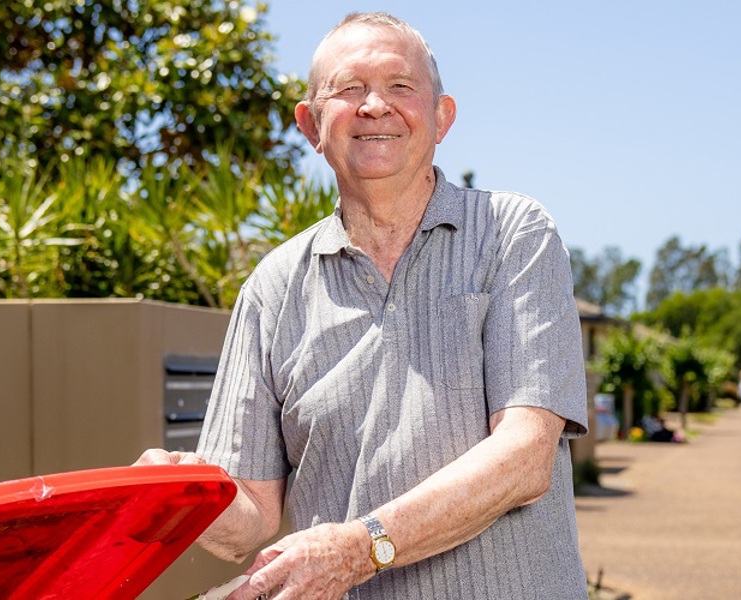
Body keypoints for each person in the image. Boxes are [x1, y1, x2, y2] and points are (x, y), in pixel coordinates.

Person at [135, 12, 587, 599]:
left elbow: (525, 459)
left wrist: (361, 547)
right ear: (311, 124)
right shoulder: (272, 290)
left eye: (401, 87)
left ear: (442, 116)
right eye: (348, 89)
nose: (375, 105)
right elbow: (248, 516)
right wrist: (181, 498)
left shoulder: (511, 234)